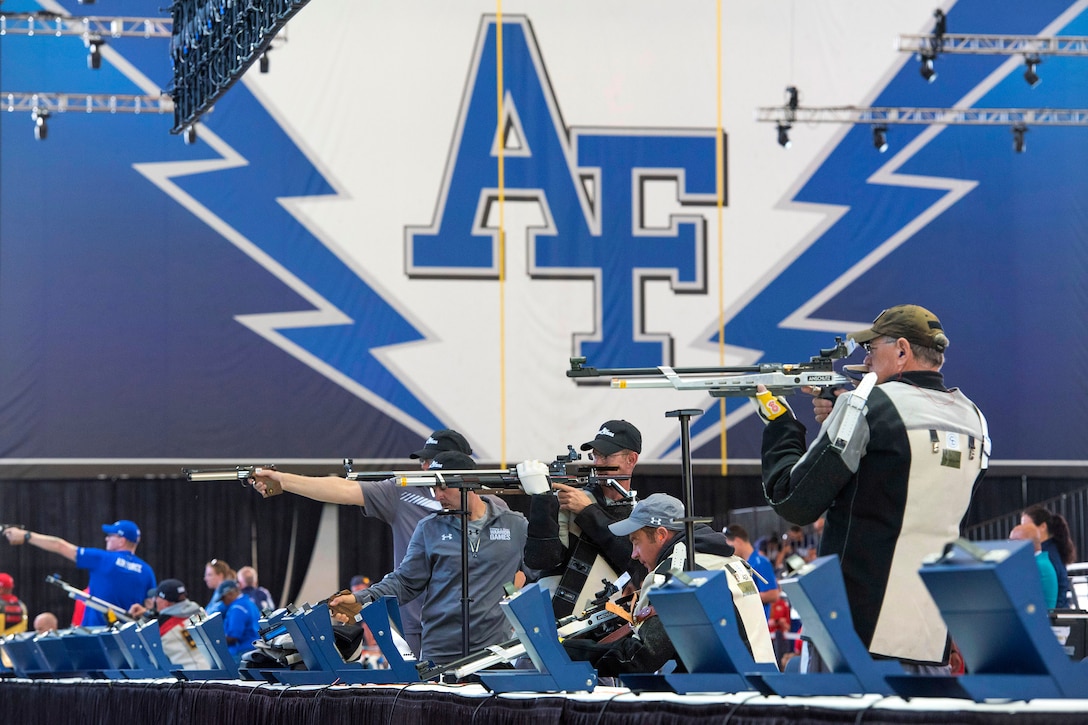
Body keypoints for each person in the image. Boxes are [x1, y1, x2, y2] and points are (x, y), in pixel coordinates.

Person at [758, 304, 990, 672]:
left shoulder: (865, 405)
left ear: (901, 350)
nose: (866, 360)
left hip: (853, 635)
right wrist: (843, 413)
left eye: (871, 349)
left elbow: (794, 501)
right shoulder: (974, 418)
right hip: (929, 635)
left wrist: (780, 423)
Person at [250, 428, 498, 657]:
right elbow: (342, 490)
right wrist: (282, 480)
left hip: (481, 626)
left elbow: (516, 568)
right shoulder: (401, 492)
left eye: (432, 460)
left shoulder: (496, 509)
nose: (424, 466)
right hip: (419, 624)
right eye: (424, 460)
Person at [329, 451, 528, 666]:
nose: (437, 496)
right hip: (439, 652)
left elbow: (541, 569)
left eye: (443, 487)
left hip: (494, 651)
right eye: (434, 489)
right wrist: (362, 599)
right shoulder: (429, 527)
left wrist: (509, 590)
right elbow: (405, 582)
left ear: (469, 484)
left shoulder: (514, 525)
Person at [562, 494, 775, 675]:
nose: (634, 554)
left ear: (661, 534)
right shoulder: (727, 561)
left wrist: (570, 650)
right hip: (763, 687)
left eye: (636, 541)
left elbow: (639, 658)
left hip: (725, 699)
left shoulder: (675, 572)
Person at [524, 420, 645, 618]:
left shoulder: (640, 511)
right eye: (595, 455)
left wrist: (588, 512)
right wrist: (541, 499)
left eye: (606, 456)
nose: (598, 463)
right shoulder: (572, 500)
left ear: (631, 459)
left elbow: (636, 564)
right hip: (561, 617)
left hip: (613, 620)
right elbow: (541, 560)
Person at [2, 520, 156, 627]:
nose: (106, 538)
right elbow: (151, 609)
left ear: (122, 540)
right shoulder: (147, 570)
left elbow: (59, 545)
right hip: (130, 638)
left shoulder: (103, 559)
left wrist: (26, 536)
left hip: (99, 634)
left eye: (111, 535)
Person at [128, 578, 211, 670]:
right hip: (211, 671)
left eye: (156, 598)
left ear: (165, 603)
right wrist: (146, 612)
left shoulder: (166, 626)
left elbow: (145, 638)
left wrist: (136, 619)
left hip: (192, 679)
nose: (154, 600)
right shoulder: (198, 612)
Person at [1022, 505, 1077, 609]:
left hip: (1056, 617)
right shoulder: (1051, 550)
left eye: (1027, 527)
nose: (1023, 531)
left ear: (1042, 526)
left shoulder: (1047, 555)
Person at [723, 524, 780, 617]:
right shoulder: (741, 564)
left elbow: (773, 594)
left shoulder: (760, 562)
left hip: (758, 623)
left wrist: (741, 597)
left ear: (737, 541)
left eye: (729, 543)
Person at [1009, 523, 1059, 609]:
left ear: (1030, 543)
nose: (1010, 546)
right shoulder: (1038, 563)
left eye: (1015, 542)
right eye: (1010, 542)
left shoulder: (1037, 566)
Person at [219, 580, 261, 663]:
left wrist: (217, 642)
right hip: (254, 649)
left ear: (229, 594)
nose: (223, 602)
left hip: (242, 652)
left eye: (223, 598)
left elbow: (234, 636)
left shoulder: (237, 608)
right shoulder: (249, 603)